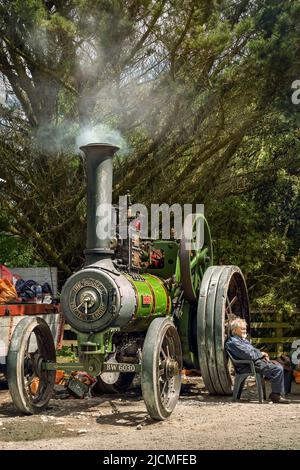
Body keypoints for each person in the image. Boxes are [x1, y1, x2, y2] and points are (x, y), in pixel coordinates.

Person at [225, 317, 290, 403]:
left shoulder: (242, 341)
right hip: (248, 365)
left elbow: (254, 351)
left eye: (245, 328)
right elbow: (250, 355)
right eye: (242, 328)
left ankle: (279, 393)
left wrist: (263, 355)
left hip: (255, 363)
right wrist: (261, 354)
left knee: (284, 366)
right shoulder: (233, 343)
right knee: (277, 369)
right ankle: (276, 396)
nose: (245, 330)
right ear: (235, 330)